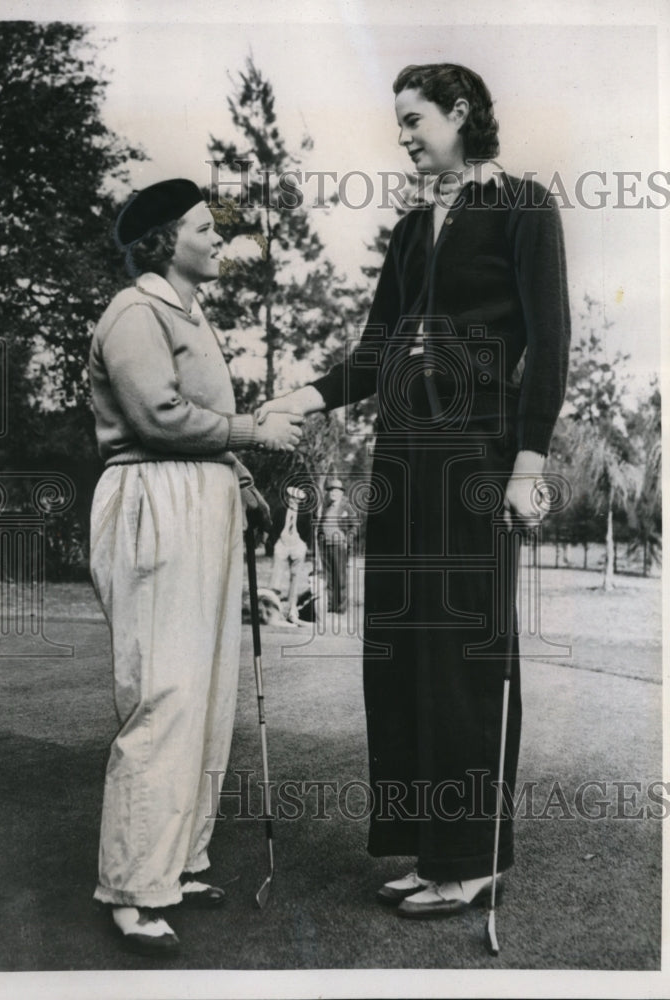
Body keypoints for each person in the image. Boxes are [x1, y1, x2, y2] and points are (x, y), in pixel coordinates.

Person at [257, 64, 570, 917]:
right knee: (401, 654)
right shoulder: (407, 230)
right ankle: (429, 848)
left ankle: (470, 858)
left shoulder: (525, 207)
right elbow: (374, 353)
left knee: (464, 656)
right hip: (401, 461)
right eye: (396, 123)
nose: (401, 136)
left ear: (460, 114)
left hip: (477, 458)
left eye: (412, 120)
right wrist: (305, 396)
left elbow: (552, 342)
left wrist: (528, 466)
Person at [88, 179, 302, 954]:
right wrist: (253, 433)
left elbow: (196, 419)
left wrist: (240, 480)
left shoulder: (189, 313)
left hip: (201, 498)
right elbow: (157, 416)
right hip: (153, 497)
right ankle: (132, 887)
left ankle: (175, 864)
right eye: (207, 228)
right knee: (167, 692)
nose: (221, 240)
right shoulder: (134, 311)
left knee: (207, 694)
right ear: (163, 240)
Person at [268, 485, 311, 624]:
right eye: (291, 497)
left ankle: (292, 609)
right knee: (276, 575)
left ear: (300, 501)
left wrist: (304, 544)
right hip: (282, 543)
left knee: (295, 576)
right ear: (287, 498)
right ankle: (273, 607)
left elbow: (309, 530)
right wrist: (275, 542)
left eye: (296, 499)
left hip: (297, 544)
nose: (293, 500)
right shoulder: (280, 511)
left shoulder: (305, 513)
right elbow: (273, 528)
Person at [317, 478, 358, 614]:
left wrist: (348, 541)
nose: (333, 493)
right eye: (330, 491)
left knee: (340, 577)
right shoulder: (326, 507)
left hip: (339, 545)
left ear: (341, 493)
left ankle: (341, 607)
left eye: (336, 491)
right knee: (328, 576)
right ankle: (330, 605)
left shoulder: (347, 507)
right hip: (325, 545)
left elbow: (354, 526)